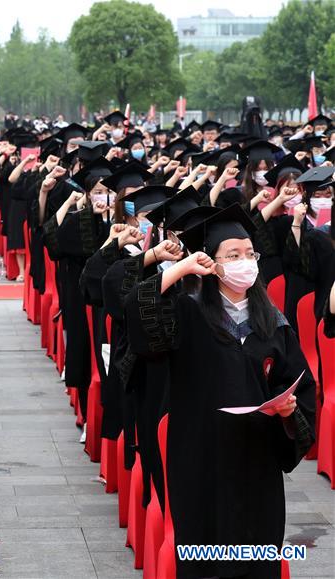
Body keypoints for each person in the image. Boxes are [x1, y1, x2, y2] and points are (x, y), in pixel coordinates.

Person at [126, 204, 315, 579]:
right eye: (233, 255)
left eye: (250, 254)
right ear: (211, 263)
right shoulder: (187, 313)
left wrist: (288, 410)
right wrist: (180, 268)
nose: (245, 262)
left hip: (256, 462)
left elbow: (300, 389)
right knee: (205, 556)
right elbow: (135, 310)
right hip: (200, 459)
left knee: (256, 555)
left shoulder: (273, 323)